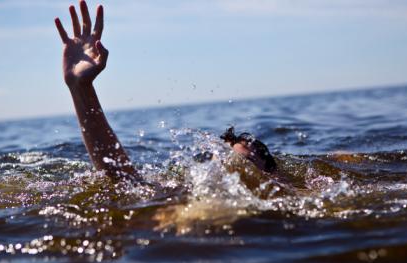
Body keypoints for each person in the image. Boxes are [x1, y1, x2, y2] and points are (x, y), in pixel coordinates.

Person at [54, 1, 277, 183]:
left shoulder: (281, 198)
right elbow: (122, 178)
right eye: (226, 161)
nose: (230, 166)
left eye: (243, 162)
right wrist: (80, 88)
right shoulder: (185, 193)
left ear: (270, 175)